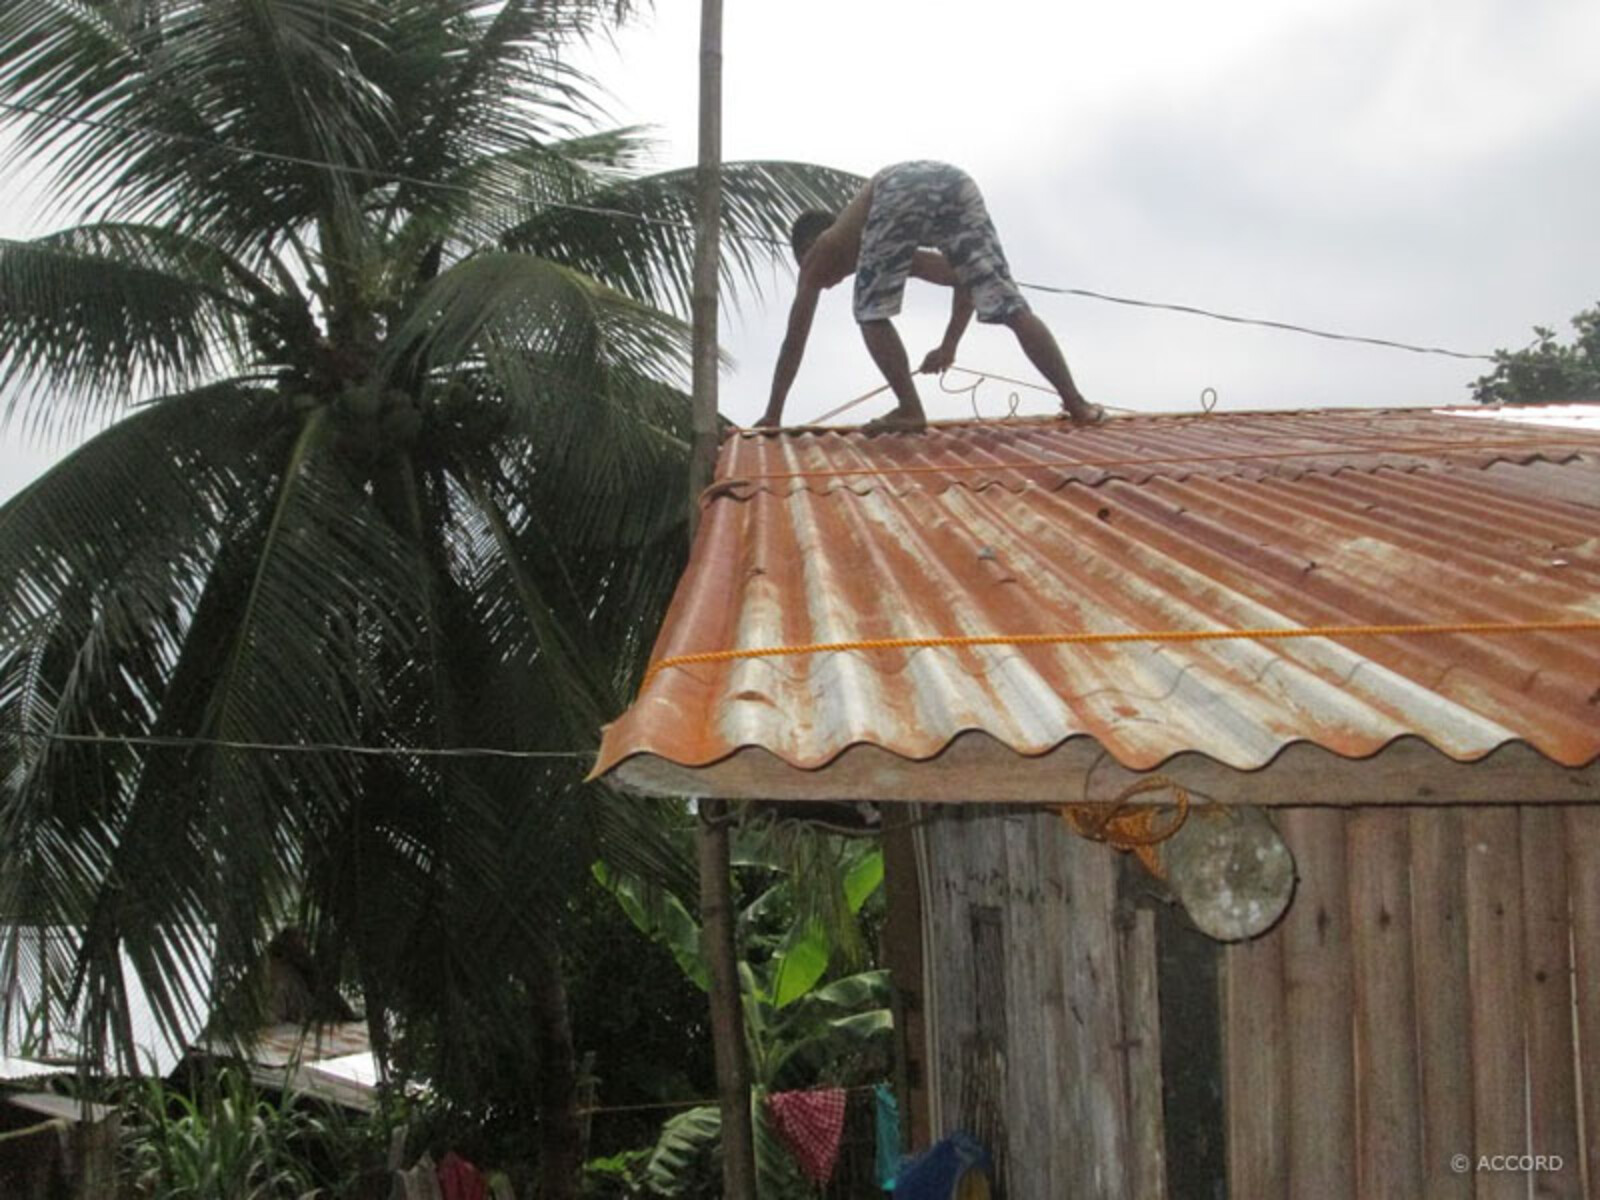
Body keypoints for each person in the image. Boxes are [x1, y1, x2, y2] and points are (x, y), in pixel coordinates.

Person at [756, 160, 1102, 433]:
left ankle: (910, 408)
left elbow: (794, 341)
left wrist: (773, 413)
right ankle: (1077, 404)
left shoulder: (824, 250)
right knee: (1009, 304)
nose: (824, 284)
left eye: (810, 271)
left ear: (808, 247)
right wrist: (949, 346)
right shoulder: (884, 247)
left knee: (869, 312)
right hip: (956, 184)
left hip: (894, 186)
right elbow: (960, 279)